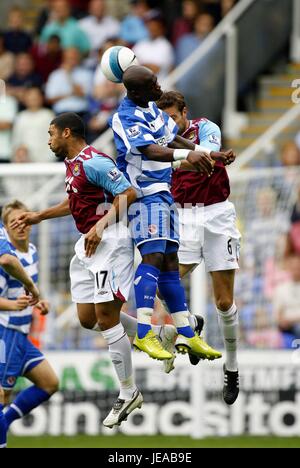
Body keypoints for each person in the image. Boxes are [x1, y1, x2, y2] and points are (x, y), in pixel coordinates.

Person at [13, 112, 143, 429]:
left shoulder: (95, 160)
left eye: (51, 133)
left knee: (106, 318)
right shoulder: (72, 164)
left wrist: (100, 226)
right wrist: (38, 216)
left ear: (66, 133)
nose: (48, 140)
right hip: (88, 244)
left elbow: (128, 193)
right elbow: (74, 203)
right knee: (87, 319)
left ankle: (129, 392)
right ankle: (153, 334)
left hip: (109, 242)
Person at [109, 65, 233, 364]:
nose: (159, 87)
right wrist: (186, 156)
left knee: (169, 263)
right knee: (152, 257)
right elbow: (151, 150)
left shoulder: (152, 108)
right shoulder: (124, 117)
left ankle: (188, 333)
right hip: (142, 195)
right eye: (153, 84)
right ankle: (143, 330)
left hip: (164, 193)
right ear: (136, 91)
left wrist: (206, 153)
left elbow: (171, 139)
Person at [156, 90, 241, 405]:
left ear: (184, 112)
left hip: (217, 214)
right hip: (184, 216)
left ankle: (231, 368)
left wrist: (177, 157)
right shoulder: (159, 140)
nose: (168, 124)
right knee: (163, 282)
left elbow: (204, 159)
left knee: (223, 301)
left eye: (173, 118)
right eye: (163, 119)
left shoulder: (207, 128)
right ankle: (190, 323)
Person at [0, 202, 49, 449]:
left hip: (22, 335)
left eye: (23, 220)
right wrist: (12, 305)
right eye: (13, 223)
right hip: (5, 334)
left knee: (49, 382)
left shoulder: (32, 250)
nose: (20, 225)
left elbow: (30, 292)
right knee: (1, 396)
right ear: (5, 229)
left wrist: (37, 303)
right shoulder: (6, 259)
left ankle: (5, 421)